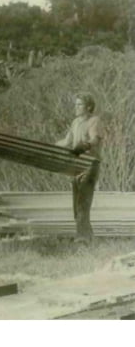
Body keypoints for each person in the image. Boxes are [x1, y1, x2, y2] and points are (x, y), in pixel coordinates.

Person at [55, 92, 104, 244]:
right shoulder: (76, 122)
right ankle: (86, 237)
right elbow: (67, 141)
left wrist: (85, 145)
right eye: (75, 104)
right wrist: (51, 146)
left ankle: (82, 239)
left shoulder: (94, 121)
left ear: (88, 107)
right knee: (77, 204)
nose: (76, 107)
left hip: (89, 165)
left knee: (83, 202)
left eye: (79, 104)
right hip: (76, 166)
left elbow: (95, 139)